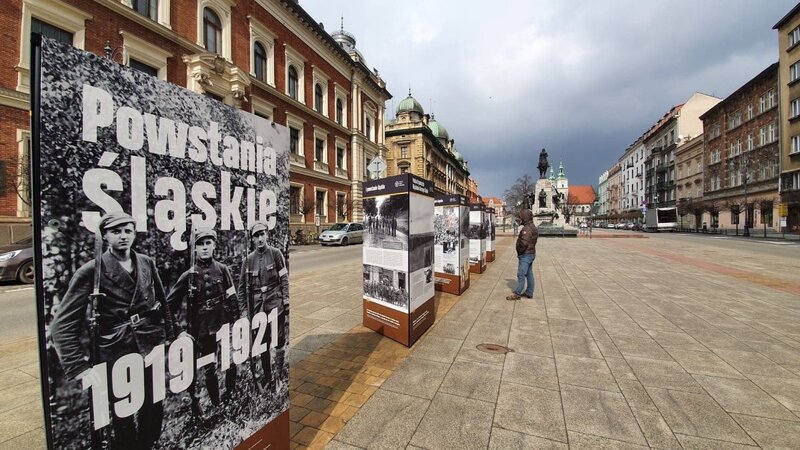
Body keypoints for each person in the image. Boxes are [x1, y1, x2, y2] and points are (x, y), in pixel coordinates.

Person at [51, 211, 176, 449]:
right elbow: (61, 325)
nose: (123, 236)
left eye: (128, 231)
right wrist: (78, 366)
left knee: (153, 405)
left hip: (150, 345)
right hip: (116, 350)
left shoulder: (146, 262)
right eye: (116, 231)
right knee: (123, 413)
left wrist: (172, 335)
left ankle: (148, 444)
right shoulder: (91, 270)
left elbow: (163, 302)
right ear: (105, 235)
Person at [167, 228, 239, 422]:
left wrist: (237, 320)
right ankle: (217, 404)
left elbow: (232, 296)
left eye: (208, 243)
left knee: (231, 361)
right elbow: (169, 306)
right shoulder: (189, 275)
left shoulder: (222, 269)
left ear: (214, 245)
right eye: (201, 244)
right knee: (209, 367)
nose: (205, 248)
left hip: (223, 322)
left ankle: (230, 395)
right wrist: (178, 330)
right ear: (195, 248)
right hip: (202, 328)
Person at [239, 221, 289, 391]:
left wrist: (286, 301)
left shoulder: (276, 254)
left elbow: (284, 279)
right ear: (252, 239)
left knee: (280, 340)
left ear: (267, 234)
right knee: (264, 343)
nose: (260, 238)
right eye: (256, 235)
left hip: (276, 304)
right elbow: (241, 290)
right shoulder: (248, 260)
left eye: (262, 234)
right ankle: (268, 377)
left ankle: (279, 376)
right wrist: (245, 312)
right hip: (258, 309)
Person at [507, 209, 538, 300]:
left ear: (525, 217)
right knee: (529, 273)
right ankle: (529, 292)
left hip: (526, 254)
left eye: (521, 217)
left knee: (521, 274)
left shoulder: (527, 229)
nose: (520, 219)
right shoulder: (533, 227)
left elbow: (524, 243)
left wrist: (519, 251)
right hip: (531, 253)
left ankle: (517, 293)